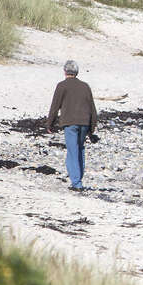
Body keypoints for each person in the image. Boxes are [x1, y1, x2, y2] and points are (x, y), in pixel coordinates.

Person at [47, 60, 97, 190]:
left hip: (70, 123)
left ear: (65, 72)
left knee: (72, 151)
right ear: (77, 72)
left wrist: (49, 124)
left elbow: (55, 106)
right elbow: (92, 108)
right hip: (84, 123)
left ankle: (76, 183)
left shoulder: (61, 86)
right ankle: (78, 179)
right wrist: (92, 128)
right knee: (80, 149)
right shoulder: (85, 86)